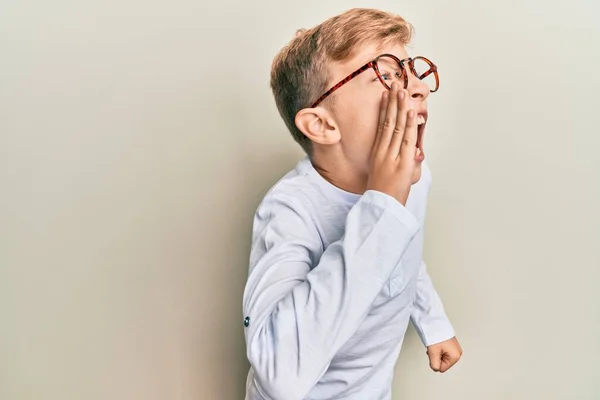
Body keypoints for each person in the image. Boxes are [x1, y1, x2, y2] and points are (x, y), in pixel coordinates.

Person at [242, 7, 463, 400]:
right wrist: (382, 206)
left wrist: (434, 323)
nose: (418, 88)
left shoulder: (415, 178)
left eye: (409, 69)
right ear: (323, 125)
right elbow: (279, 374)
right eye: (386, 73)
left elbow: (405, 254)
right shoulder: (290, 210)